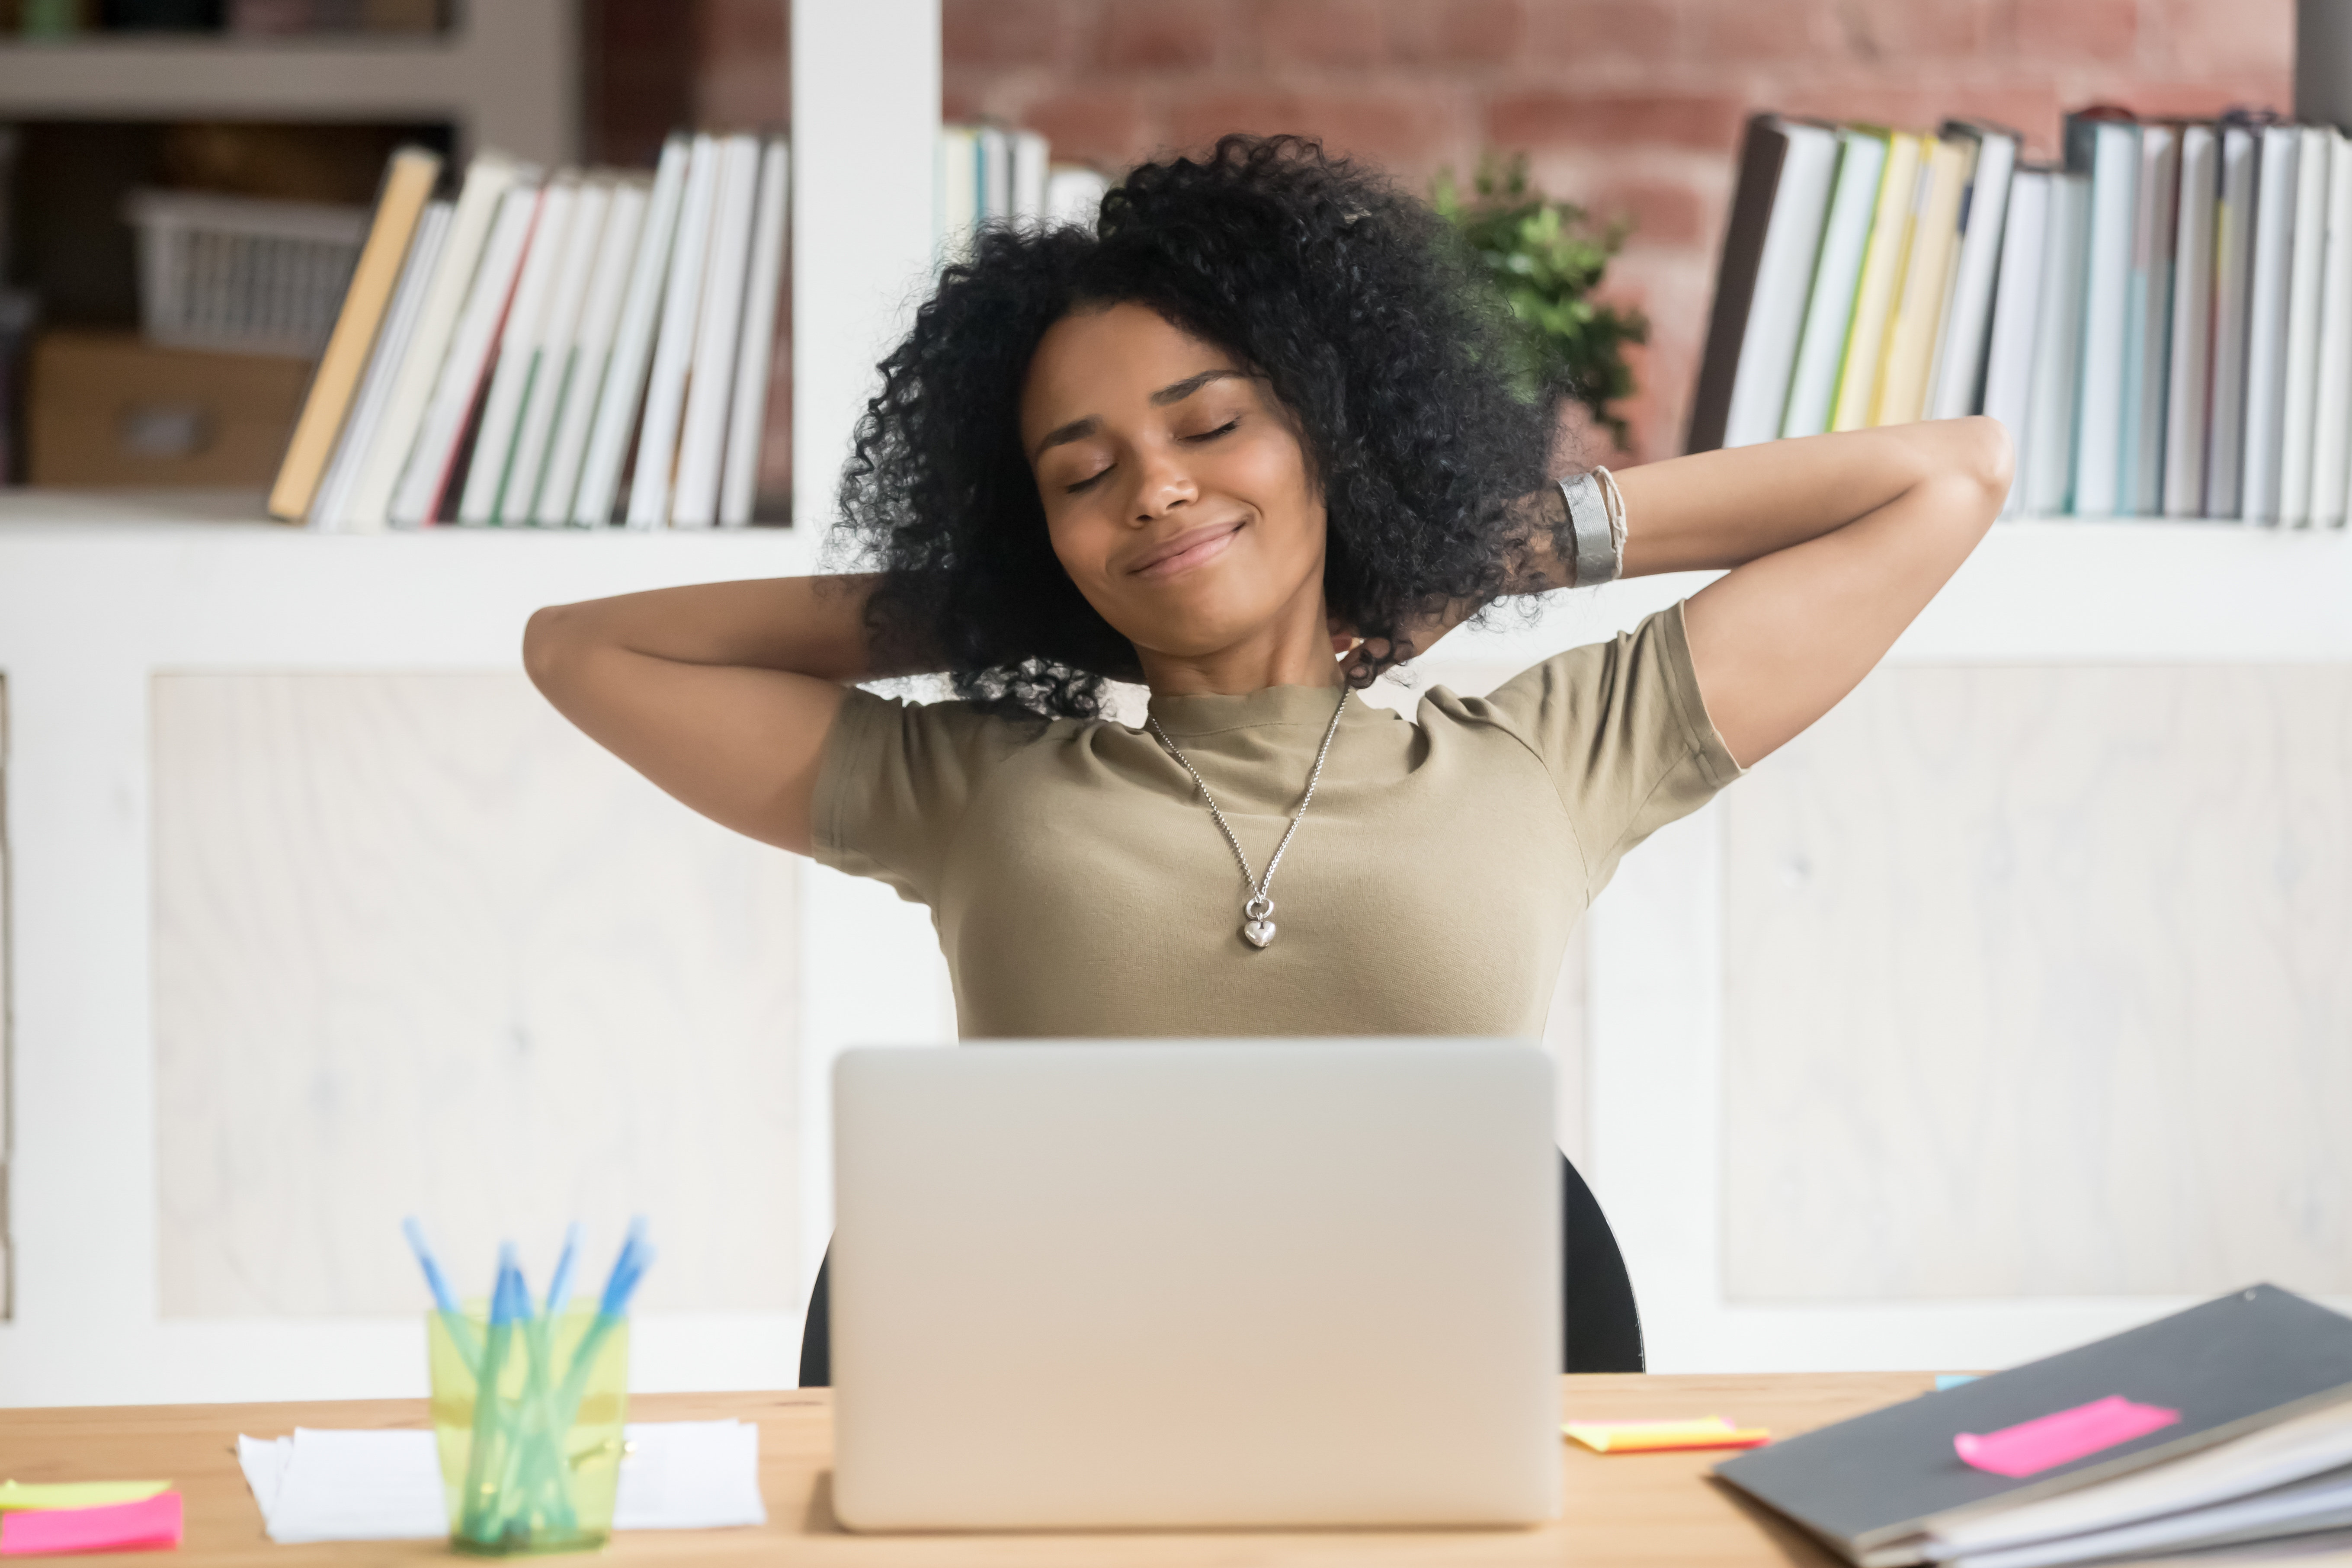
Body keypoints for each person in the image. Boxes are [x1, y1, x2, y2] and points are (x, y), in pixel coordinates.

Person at [525, 136, 2010, 1385]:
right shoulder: (980, 786)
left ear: (1331, 436)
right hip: (1045, 1435)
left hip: (1444, 1446)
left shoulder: (1555, 758)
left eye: (1212, 425)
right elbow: (583, 651)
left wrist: (1499, 546)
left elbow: (1950, 477)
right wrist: (1009, 603)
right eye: (1082, 475)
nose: (1157, 487)